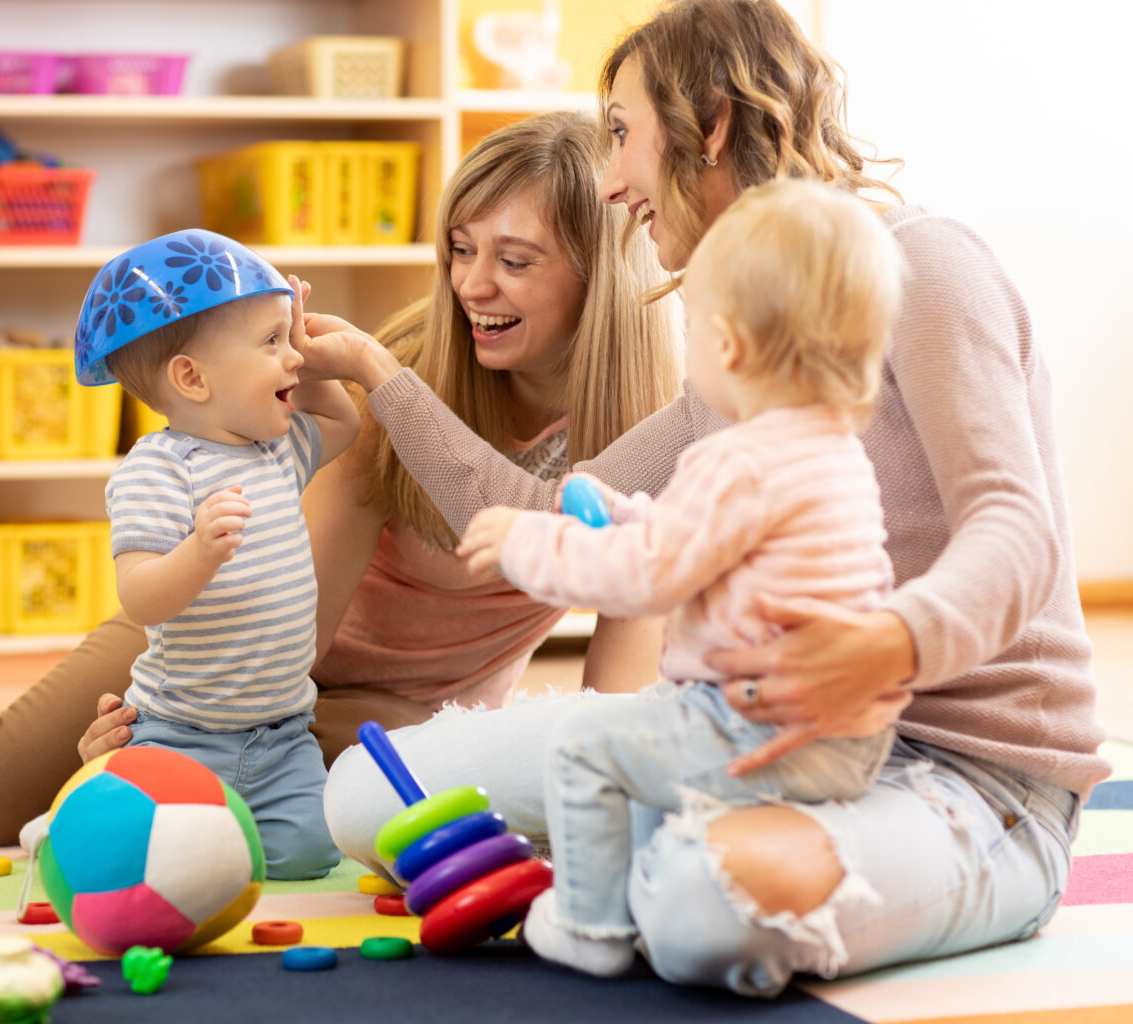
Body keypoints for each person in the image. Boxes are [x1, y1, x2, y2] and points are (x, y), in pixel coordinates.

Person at [309, 0, 1109, 998]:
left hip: (965, 775)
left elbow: (1017, 528)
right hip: (743, 736)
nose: (608, 182)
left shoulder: (923, 264)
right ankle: (636, 865)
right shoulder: (736, 357)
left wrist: (890, 643)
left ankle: (647, 870)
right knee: (369, 797)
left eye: (619, 134)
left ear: (712, 124)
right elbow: (544, 505)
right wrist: (382, 378)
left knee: (699, 906)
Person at [0, 110, 680, 846]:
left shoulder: (653, 425)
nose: (471, 285)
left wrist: (590, 799)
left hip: (400, 710)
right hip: (222, 643)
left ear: (601, 277)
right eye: (459, 249)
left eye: (514, 261)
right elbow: (288, 615)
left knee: (327, 817)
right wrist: (162, 722)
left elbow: (618, 694)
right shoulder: (403, 380)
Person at [457, 178, 905, 976]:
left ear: (726, 347)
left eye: (691, 329)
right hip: (850, 733)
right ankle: (630, 891)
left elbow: (649, 581)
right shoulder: (832, 452)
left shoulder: (736, 458)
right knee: (638, 744)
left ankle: (589, 927)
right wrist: (629, 514)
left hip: (757, 729)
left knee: (588, 744)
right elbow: (698, 544)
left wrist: (527, 542)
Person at [75, 228, 356, 879]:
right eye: (270, 343)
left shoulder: (279, 449)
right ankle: (100, 804)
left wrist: (303, 345)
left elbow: (346, 423)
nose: (291, 360)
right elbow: (140, 594)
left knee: (310, 853)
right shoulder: (158, 470)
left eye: (287, 339)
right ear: (192, 378)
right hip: (180, 732)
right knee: (144, 858)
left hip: (283, 734)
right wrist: (199, 553)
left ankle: (221, 839)